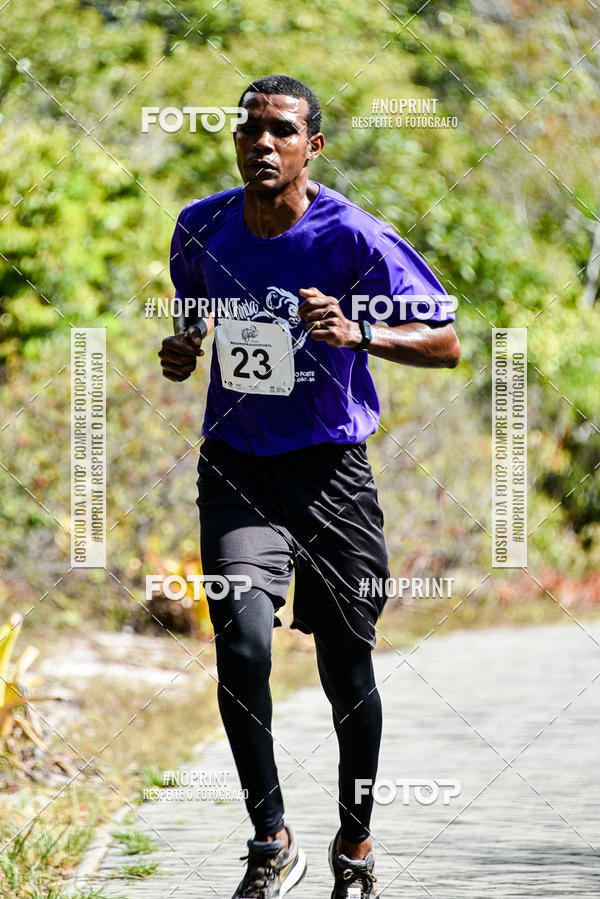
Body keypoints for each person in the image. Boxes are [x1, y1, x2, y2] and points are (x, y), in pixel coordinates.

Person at [159, 74, 460, 899]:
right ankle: (270, 840)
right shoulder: (200, 226)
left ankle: (355, 841)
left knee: (345, 669)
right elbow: (198, 318)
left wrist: (359, 329)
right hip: (237, 465)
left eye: (282, 131)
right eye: (249, 129)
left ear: (312, 146)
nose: (263, 143)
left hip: (331, 474)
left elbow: (445, 339)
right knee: (241, 644)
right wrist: (185, 348)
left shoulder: (354, 236)